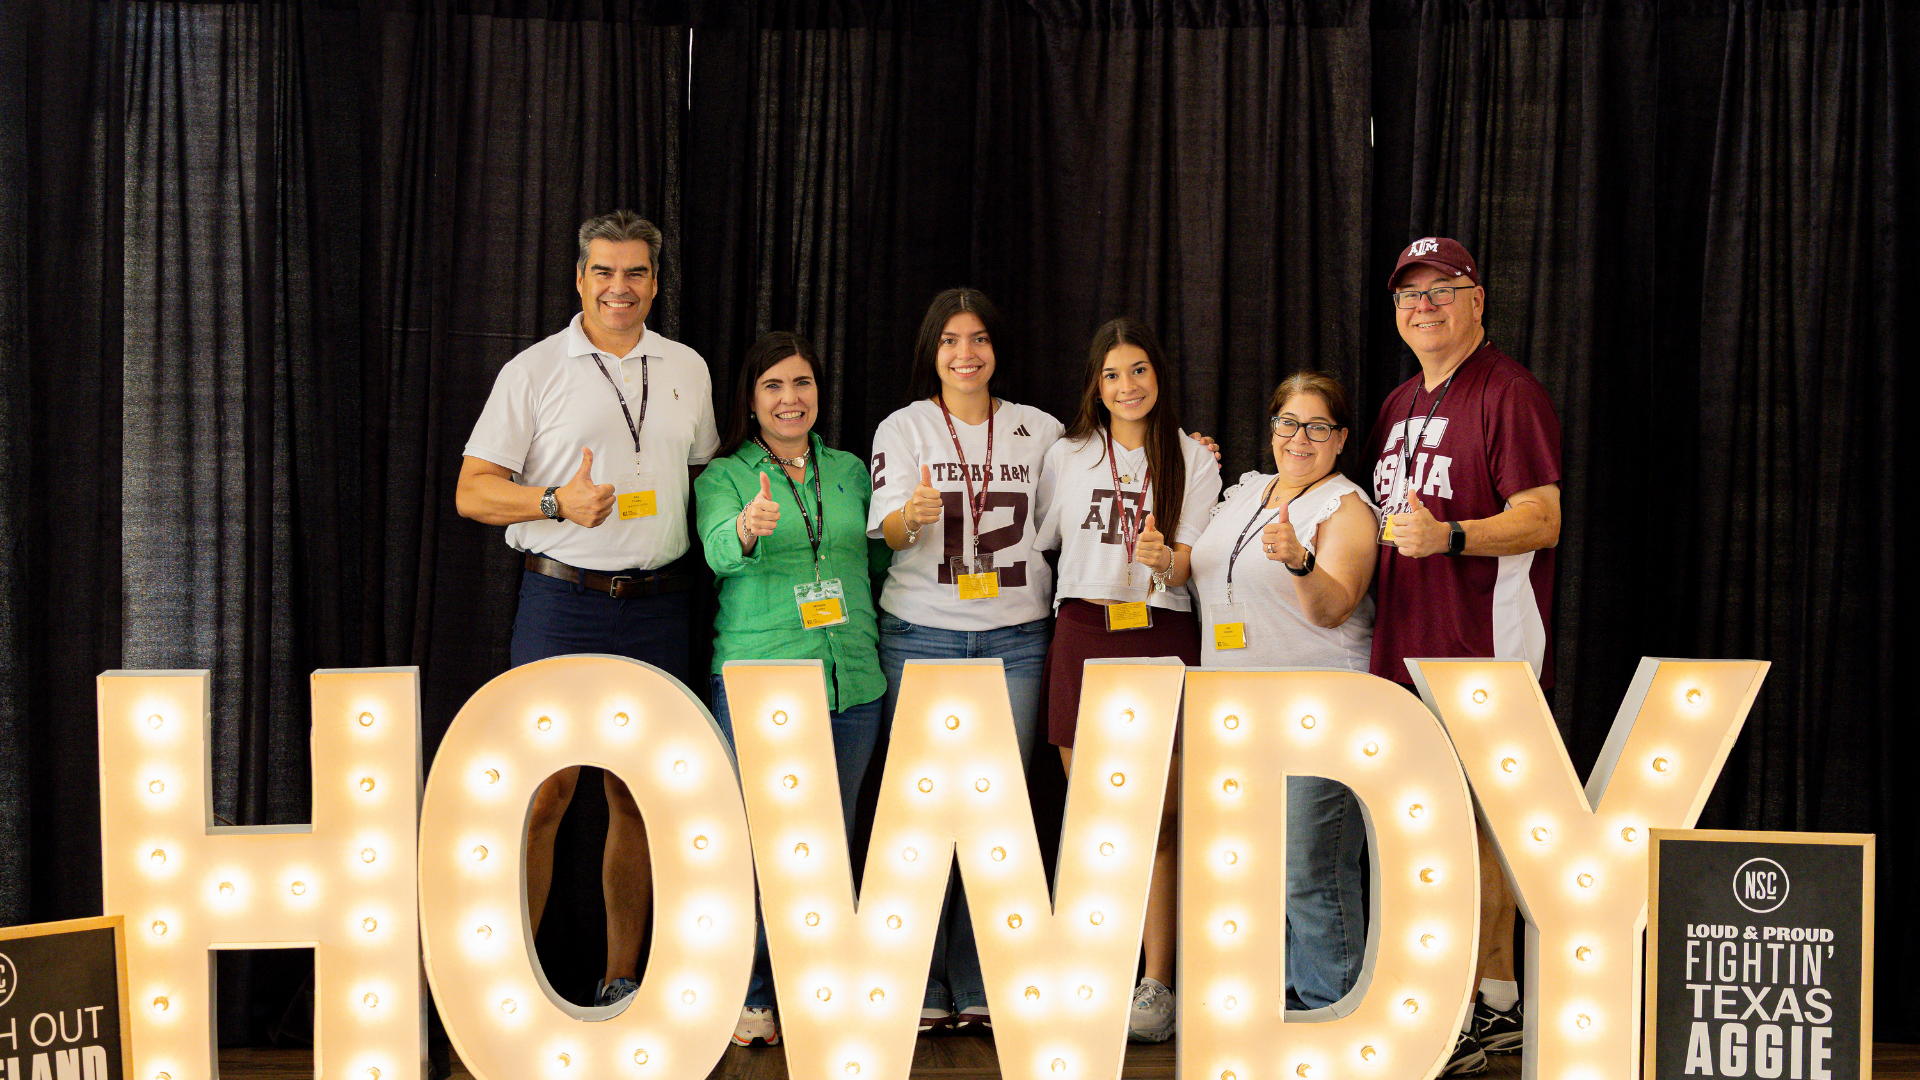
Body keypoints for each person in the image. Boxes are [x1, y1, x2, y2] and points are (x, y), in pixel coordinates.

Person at [455, 210, 719, 1008]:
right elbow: (471, 492)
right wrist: (553, 501)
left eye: (635, 273)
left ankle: (621, 978)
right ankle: (512, 983)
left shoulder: (687, 368)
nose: (620, 287)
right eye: (604, 272)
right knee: (545, 789)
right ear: (579, 279)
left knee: (637, 793)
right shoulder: (534, 371)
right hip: (562, 600)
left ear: (656, 283)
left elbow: (703, 474)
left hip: (659, 606)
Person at [1367, 236, 1561, 1074]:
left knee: (1485, 829)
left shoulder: (1509, 392)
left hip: (1483, 648)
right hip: (1405, 646)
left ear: (1478, 299)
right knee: (1430, 833)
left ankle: (1498, 1002)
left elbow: (1543, 516)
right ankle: (1453, 995)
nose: (1426, 306)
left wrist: (1449, 535)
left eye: (1444, 289)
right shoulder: (1399, 402)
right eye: (1412, 294)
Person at [865, 288, 1065, 1031]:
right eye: (951, 340)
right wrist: (906, 518)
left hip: (1015, 637)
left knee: (995, 814)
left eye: (978, 339)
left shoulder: (1037, 429)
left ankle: (977, 976)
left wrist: (1188, 452)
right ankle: (917, 981)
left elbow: (1102, 472)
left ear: (996, 349)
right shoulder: (906, 426)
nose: (966, 353)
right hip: (922, 633)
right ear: (933, 349)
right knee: (922, 812)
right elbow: (882, 530)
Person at [695, 332, 888, 1049]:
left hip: (853, 681)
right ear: (751, 400)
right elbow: (715, 549)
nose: (790, 398)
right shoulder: (726, 477)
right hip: (762, 679)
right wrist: (746, 530)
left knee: (828, 842)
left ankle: (813, 989)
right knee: (757, 845)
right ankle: (748, 994)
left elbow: (872, 557)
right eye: (774, 386)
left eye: (802, 384)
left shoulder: (847, 471)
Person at [1032, 317, 1221, 1043]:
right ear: (1095, 384)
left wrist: (1164, 557)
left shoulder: (1192, 459)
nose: (1127, 386)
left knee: (1160, 822)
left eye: (1138, 370)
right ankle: (1091, 968)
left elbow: (1190, 565)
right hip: (1084, 631)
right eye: (1112, 374)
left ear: (1158, 376)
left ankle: (1156, 980)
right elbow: (1046, 540)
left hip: (1163, 630)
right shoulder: (1067, 454)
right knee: (1097, 819)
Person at [1188, 372, 1378, 1017]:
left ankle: (1337, 1019)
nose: (1301, 438)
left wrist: (1300, 562)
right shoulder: (1245, 493)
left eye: (1318, 427)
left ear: (1341, 439)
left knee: (1309, 873)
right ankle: (1284, 1020)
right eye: (1289, 424)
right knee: (1258, 874)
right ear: (1271, 429)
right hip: (1238, 714)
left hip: (1318, 713)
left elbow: (1333, 609)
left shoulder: (1347, 508)